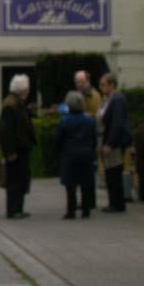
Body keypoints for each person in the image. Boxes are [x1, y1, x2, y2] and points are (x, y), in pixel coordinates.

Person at [0, 74, 37, 219]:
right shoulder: (11, 105)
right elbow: (5, 130)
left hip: (22, 149)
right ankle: (13, 210)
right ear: (22, 90)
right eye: (26, 90)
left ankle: (18, 208)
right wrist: (10, 151)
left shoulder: (18, 103)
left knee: (21, 179)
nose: (28, 93)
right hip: (16, 151)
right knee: (15, 180)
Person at [55, 91, 97, 219]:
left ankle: (71, 211)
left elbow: (58, 139)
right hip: (86, 154)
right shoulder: (89, 120)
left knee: (71, 184)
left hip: (70, 155)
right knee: (85, 182)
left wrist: (60, 151)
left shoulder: (64, 121)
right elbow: (94, 138)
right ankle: (86, 209)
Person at [99, 73, 131, 212]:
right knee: (111, 171)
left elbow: (117, 123)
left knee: (114, 172)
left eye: (103, 84)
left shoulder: (116, 99)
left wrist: (110, 144)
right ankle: (114, 202)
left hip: (115, 142)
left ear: (112, 84)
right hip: (113, 140)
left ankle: (117, 203)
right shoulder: (110, 98)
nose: (101, 88)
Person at [74, 70, 102, 209]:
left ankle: (89, 201)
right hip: (82, 138)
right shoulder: (81, 95)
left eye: (81, 81)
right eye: (77, 82)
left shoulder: (93, 96)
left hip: (90, 139)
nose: (79, 84)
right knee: (83, 172)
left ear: (88, 81)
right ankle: (86, 199)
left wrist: (82, 115)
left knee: (88, 171)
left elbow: (97, 116)